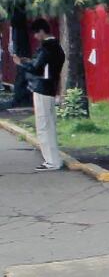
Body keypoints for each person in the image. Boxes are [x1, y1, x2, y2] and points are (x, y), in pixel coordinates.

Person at [13, 19, 65, 171]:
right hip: (50, 88)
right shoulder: (57, 47)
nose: (35, 36)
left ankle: (51, 161)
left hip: (42, 88)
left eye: (36, 33)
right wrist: (31, 61)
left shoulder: (46, 48)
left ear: (42, 31)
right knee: (50, 125)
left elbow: (36, 68)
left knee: (43, 126)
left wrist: (20, 63)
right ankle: (54, 159)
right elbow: (44, 66)